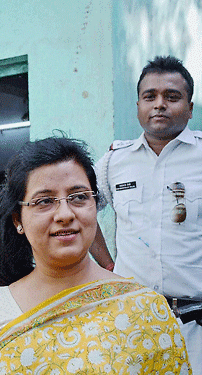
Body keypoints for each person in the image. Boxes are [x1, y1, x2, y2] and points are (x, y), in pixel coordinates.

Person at [0, 137, 191, 374]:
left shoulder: (145, 309)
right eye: (44, 201)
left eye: (78, 197)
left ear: (95, 205)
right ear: (18, 219)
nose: (65, 214)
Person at [91, 55, 202, 374]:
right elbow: (83, 212)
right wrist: (107, 265)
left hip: (196, 324)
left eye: (172, 96)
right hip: (133, 320)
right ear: (138, 105)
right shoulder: (115, 162)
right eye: (149, 96)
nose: (159, 105)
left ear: (190, 108)